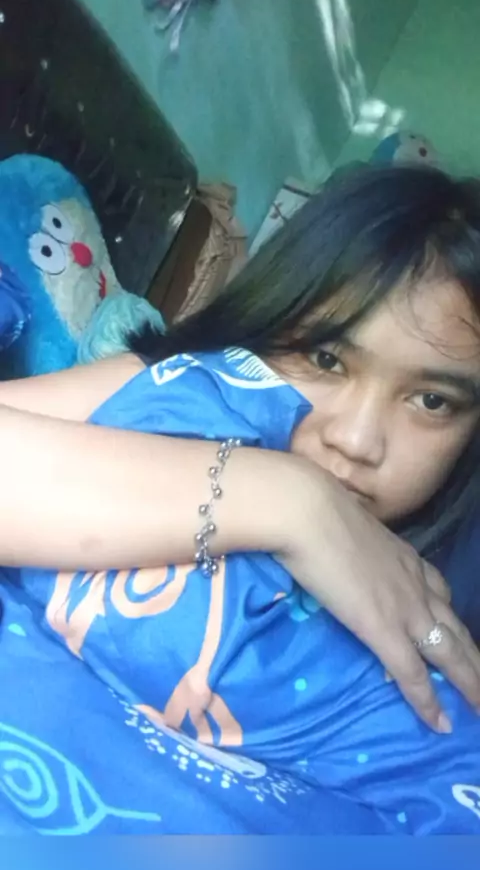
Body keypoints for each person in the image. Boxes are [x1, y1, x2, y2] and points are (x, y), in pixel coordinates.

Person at [2, 162, 480, 834]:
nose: (356, 440)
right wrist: (290, 502)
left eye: (431, 401)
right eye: (326, 359)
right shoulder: (183, 389)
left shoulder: (447, 621)